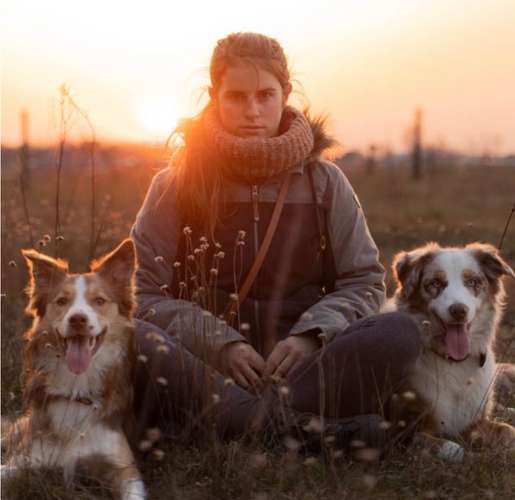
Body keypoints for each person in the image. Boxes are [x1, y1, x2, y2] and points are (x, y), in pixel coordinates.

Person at [131, 32, 421, 451]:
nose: (253, 111)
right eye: (236, 96)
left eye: (266, 95)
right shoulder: (175, 184)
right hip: (205, 371)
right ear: (215, 96)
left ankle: (238, 425)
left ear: (286, 93)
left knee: (400, 331)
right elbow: (140, 293)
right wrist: (218, 343)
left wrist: (310, 336)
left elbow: (364, 281)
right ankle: (303, 431)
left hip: (305, 373)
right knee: (129, 335)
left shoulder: (325, 182)